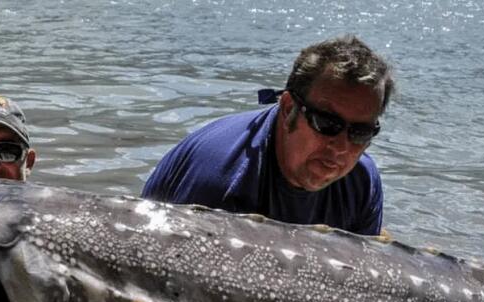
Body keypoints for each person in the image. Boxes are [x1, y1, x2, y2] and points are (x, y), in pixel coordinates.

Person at [141, 35, 395, 235]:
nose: (341, 147)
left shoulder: (362, 182)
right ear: (287, 109)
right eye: (326, 123)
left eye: (360, 133)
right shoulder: (222, 178)